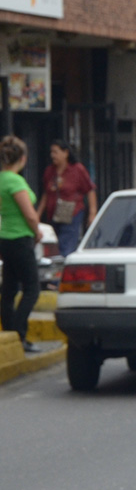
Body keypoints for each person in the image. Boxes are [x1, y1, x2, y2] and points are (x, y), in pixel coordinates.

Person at [0, 136, 42, 354]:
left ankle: (8, 333)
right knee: (32, 289)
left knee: (8, 289)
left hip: (5, 238)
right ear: (23, 159)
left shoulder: (1, 180)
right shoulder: (15, 182)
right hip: (20, 238)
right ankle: (18, 333)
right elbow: (30, 215)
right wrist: (37, 232)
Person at [35, 139, 96, 257]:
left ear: (65, 153)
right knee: (53, 244)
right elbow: (46, 194)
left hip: (72, 212)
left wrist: (92, 213)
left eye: (56, 152)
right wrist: (38, 214)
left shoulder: (77, 169)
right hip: (53, 213)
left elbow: (89, 190)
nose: (53, 155)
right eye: (51, 152)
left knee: (66, 245)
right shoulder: (49, 171)